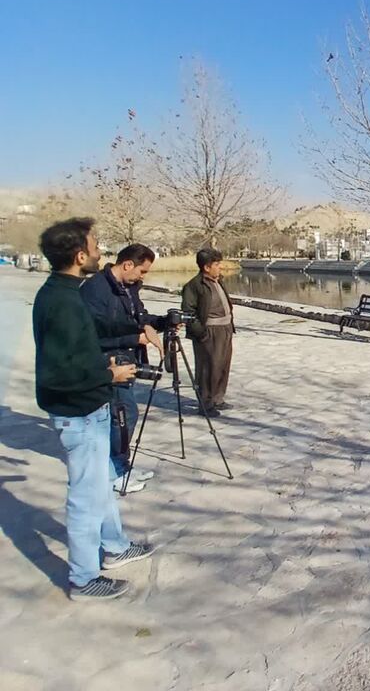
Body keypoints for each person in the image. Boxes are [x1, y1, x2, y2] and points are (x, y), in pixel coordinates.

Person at [33, 218, 154, 601]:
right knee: (86, 497)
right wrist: (110, 375)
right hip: (79, 412)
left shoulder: (68, 292)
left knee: (102, 485)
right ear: (80, 255)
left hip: (93, 406)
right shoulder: (63, 302)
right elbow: (58, 372)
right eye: (97, 245)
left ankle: (115, 546)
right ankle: (84, 578)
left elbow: (76, 355)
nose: (102, 251)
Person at [80, 244, 167, 493]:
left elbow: (137, 319)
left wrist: (161, 323)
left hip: (126, 358)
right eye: (142, 271)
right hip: (108, 361)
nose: (143, 277)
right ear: (127, 265)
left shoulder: (128, 288)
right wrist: (134, 339)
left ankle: (121, 465)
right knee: (123, 416)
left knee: (125, 415)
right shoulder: (96, 290)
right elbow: (94, 333)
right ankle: (115, 472)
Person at [181, 248, 235, 416]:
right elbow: (188, 312)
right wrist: (200, 333)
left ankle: (218, 398)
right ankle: (206, 403)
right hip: (209, 331)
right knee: (208, 368)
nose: (221, 267)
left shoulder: (218, 280)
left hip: (225, 329)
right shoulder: (194, 286)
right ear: (206, 267)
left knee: (222, 365)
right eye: (217, 264)